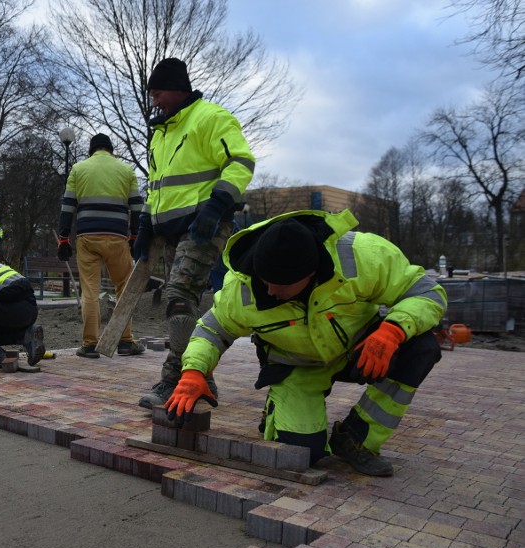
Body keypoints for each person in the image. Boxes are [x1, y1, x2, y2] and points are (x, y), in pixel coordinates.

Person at [164, 210, 447, 476]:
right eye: (265, 280)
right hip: (297, 366)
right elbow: (211, 331)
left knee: (421, 348)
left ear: (311, 274)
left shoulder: (362, 256)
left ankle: (357, 438)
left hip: (360, 351)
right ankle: (277, 408)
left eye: (281, 284)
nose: (270, 290)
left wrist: (391, 333)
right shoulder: (242, 288)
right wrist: (194, 371)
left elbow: (427, 293)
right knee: (301, 455)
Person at [133, 57, 256, 409]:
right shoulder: (161, 135)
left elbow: (241, 162)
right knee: (182, 300)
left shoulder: (211, 117)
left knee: (177, 296)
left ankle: (174, 380)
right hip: (172, 231)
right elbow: (156, 187)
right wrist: (144, 224)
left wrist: (217, 206)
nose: (154, 101)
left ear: (177, 89)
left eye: (158, 93)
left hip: (205, 225)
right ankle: (201, 377)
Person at [57, 133, 146, 358]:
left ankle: (89, 344)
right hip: (117, 237)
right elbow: (137, 206)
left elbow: (67, 205)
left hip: (87, 238)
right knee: (124, 288)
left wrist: (63, 237)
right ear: (111, 149)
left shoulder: (78, 169)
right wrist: (136, 236)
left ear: (92, 150)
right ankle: (125, 341)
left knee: (90, 291)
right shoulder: (126, 170)